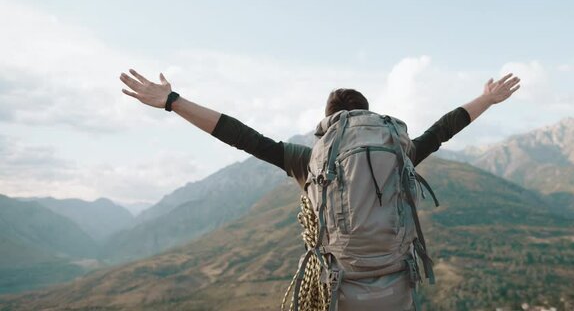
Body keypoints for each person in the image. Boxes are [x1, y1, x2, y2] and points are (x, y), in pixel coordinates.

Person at [119, 69, 521, 309]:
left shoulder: (309, 159)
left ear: (329, 125)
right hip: (397, 287)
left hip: (338, 290)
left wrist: (173, 101)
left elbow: (242, 136)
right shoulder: (398, 154)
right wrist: (487, 98)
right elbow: (443, 130)